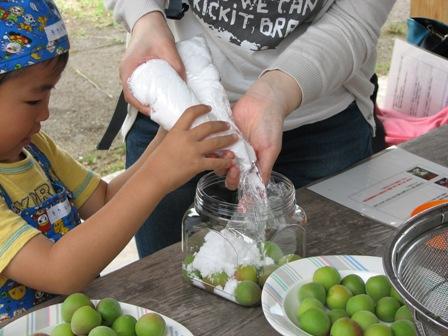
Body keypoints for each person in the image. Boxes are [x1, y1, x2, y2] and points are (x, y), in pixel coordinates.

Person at [0, 0, 237, 321]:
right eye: (33, 99)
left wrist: (164, 141)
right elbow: (59, 270)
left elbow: (104, 200)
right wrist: (158, 174)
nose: (45, 113)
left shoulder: (39, 150)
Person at [105, 0, 396, 258]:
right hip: (176, 108)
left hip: (321, 125)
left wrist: (276, 92)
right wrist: (144, 18)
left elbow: (355, 19)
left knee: (314, 290)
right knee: (164, 291)